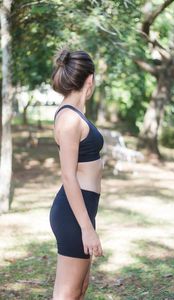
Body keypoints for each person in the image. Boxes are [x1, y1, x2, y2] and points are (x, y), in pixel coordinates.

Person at [49, 47, 104, 300]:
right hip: (73, 214)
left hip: (81, 209)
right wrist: (86, 228)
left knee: (79, 289)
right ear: (90, 78)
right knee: (67, 293)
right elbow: (68, 176)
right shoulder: (69, 119)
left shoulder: (75, 114)